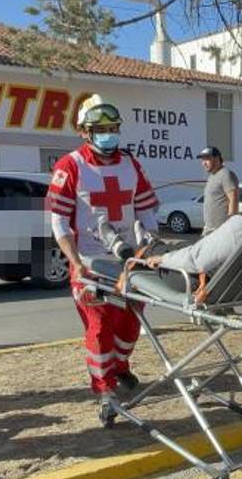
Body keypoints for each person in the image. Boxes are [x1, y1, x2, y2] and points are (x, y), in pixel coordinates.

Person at [46, 94, 159, 425]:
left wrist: (147, 248)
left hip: (128, 261)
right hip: (91, 262)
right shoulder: (70, 166)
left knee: (131, 323)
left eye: (113, 127)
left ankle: (120, 366)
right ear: (84, 131)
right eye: (100, 128)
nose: (108, 133)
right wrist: (75, 262)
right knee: (99, 328)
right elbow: (59, 222)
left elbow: (145, 210)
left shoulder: (130, 163)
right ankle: (105, 390)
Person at [198, 146, 239, 235]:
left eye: (207, 159)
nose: (203, 163)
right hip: (209, 228)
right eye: (202, 160)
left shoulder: (226, 174)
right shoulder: (212, 176)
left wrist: (230, 225)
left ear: (217, 159)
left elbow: (233, 198)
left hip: (220, 230)